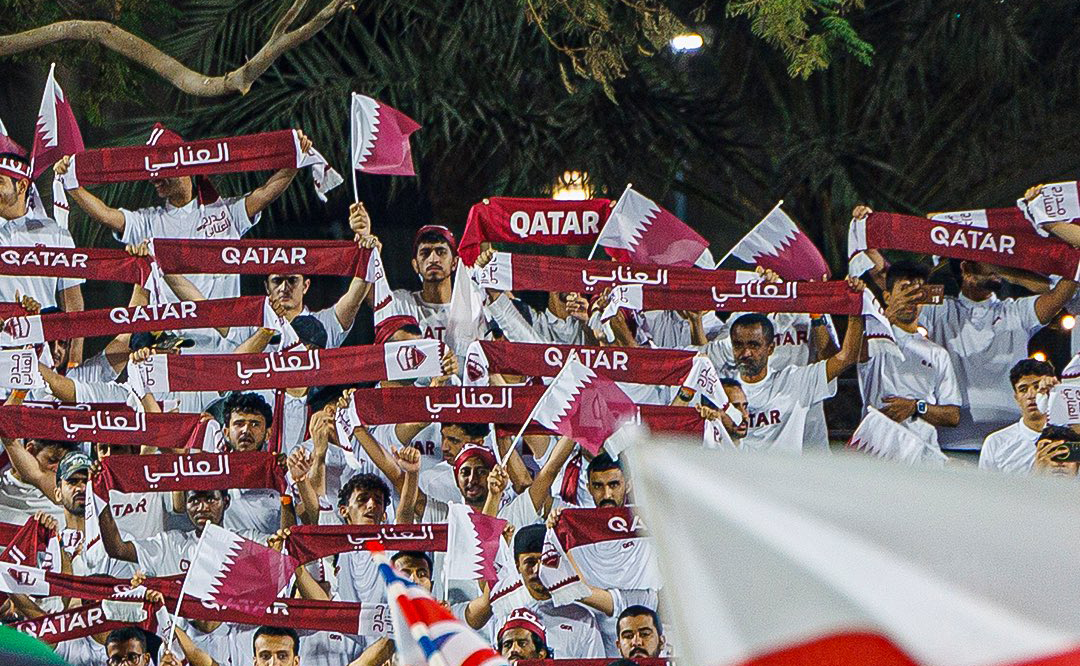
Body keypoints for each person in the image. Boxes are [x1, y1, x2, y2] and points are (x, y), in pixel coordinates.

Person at [53, 129, 312, 353]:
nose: (154, 178)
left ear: (184, 168)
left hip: (223, 349)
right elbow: (107, 215)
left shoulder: (226, 213)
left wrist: (294, 159)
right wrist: (73, 186)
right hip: (170, 350)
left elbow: (267, 193)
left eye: (161, 170)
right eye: (151, 171)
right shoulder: (149, 223)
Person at [855, 203, 1078, 451]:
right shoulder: (941, 310)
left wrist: (1009, 271)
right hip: (952, 443)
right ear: (966, 269)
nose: (995, 267)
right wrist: (867, 230)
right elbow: (893, 281)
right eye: (987, 260)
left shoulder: (1016, 311)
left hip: (1012, 443)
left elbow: (1063, 292)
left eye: (998, 259)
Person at [727, 299, 864, 454]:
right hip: (740, 475)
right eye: (738, 345)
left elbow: (846, 357)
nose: (746, 353)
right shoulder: (722, 387)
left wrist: (855, 309)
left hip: (789, 474)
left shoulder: (795, 381)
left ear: (771, 348)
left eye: (753, 345)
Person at [857, 261, 961, 452]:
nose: (911, 298)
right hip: (878, 449)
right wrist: (886, 317)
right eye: (905, 290)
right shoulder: (873, 340)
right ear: (887, 296)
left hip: (923, 452)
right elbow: (853, 356)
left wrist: (916, 407)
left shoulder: (938, 353)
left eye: (918, 292)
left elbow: (952, 415)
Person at [0, 149, 85, 363]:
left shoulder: (54, 233)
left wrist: (73, 364)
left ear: (21, 186)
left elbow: (73, 305)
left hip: (42, 356)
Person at [503, 524, 605, 658]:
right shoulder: (505, 610)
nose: (538, 570)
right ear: (517, 566)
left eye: (545, 561)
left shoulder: (581, 618)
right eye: (530, 562)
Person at [979, 359, 1057, 473]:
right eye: (1023, 390)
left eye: (1037, 387)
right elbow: (985, 488)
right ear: (1017, 398)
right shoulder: (996, 443)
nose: (1031, 395)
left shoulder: (1072, 436)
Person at [386, 225, 458, 341]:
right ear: (415, 265)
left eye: (441, 252)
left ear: (454, 263)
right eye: (425, 253)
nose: (433, 259)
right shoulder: (402, 303)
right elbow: (371, 296)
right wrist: (367, 252)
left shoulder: (472, 306)